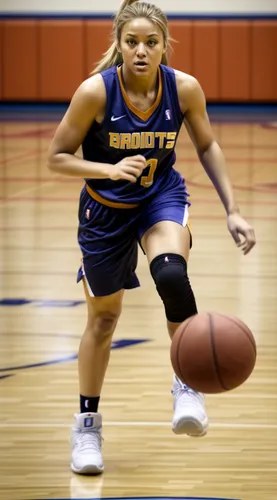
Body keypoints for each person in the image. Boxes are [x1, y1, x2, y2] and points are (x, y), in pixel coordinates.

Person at [47, 0, 256, 475]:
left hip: (160, 197)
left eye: (151, 42)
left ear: (165, 45)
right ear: (119, 45)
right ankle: (86, 425)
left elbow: (206, 144)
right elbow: (56, 157)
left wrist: (234, 211)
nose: (141, 51)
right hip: (104, 212)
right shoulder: (94, 93)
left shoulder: (183, 89)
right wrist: (108, 168)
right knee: (103, 321)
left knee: (171, 274)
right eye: (132, 42)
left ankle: (187, 384)